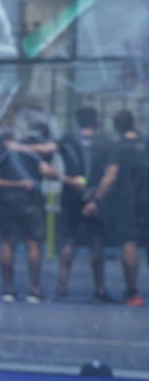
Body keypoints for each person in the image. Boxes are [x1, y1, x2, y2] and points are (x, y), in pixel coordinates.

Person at [53, 106, 112, 302]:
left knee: (69, 241)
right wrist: (96, 198)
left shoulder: (68, 138)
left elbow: (47, 151)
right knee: (97, 243)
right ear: (95, 119)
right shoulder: (104, 141)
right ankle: (100, 289)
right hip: (95, 193)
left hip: (71, 194)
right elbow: (110, 173)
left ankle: (62, 289)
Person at [87, 110, 144, 306]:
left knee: (129, 242)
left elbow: (110, 175)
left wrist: (96, 199)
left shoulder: (117, 148)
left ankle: (132, 291)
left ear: (116, 126)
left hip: (128, 201)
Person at [0, 126, 48, 303]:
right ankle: (34, 290)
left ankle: (9, 289)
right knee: (32, 244)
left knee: (9, 243)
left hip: (10, 202)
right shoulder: (34, 152)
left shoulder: (4, 151)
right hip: (31, 202)